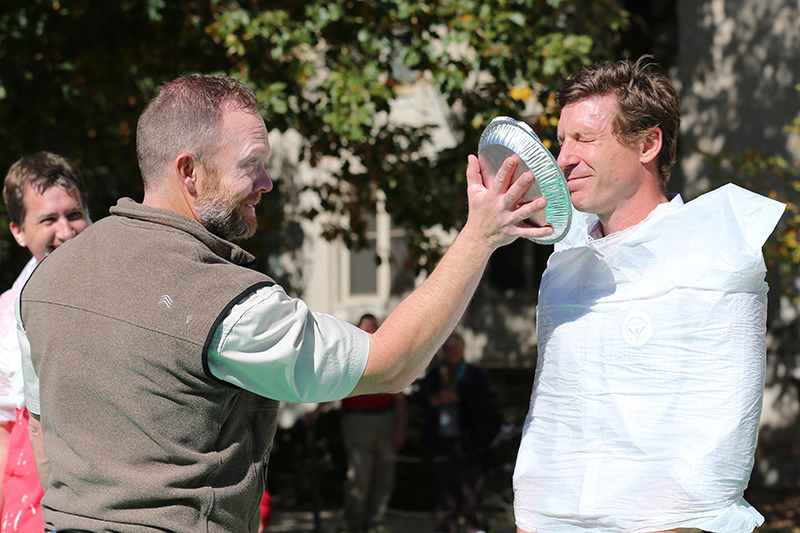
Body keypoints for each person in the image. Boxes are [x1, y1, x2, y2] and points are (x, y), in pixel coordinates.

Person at [15, 73, 552, 533]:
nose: (267, 183)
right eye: (251, 164)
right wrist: (479, 236)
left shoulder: (47, 281)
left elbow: (41, 428)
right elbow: (390, 363)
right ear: (189, 172)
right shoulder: (223, 304)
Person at [512, 57, 785, 533]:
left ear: (647, 143)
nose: (563, 160)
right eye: (562, 141)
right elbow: (554, 413)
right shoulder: (565, 260)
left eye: (585, 139)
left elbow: (722, 431)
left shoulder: (715, 252)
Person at [0, 151, 90, 532]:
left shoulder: (131, 289)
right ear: (18, 231)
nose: (66, 231)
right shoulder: (5, 318)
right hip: (35, 499)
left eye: (74, 214)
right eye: (48, 220)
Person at [305, 313, 407, 533]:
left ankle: (375, 523)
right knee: (359, 475)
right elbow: (335, 387)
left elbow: (399, 393)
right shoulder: (350, 355)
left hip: (385, 419)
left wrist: (400, 426)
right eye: (364, 329)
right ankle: (353, 525)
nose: (368, 333)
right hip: (357, 421)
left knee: (384, 475)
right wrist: (317, 411)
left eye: (373, 329)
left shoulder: (387, 354)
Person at [420, 331, 499, 533]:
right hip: (441, 437)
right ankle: (447, 527)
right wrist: (437, 399)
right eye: (448, 348)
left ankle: (474, 525)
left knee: (470, 486)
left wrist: (460, 397)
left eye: (456, 348)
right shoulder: (436, 374)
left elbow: (484, 404)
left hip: (468, 439)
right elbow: (423, 398)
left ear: (463, 350)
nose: (452, 352)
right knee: (445, 486)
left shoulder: (474, 374)